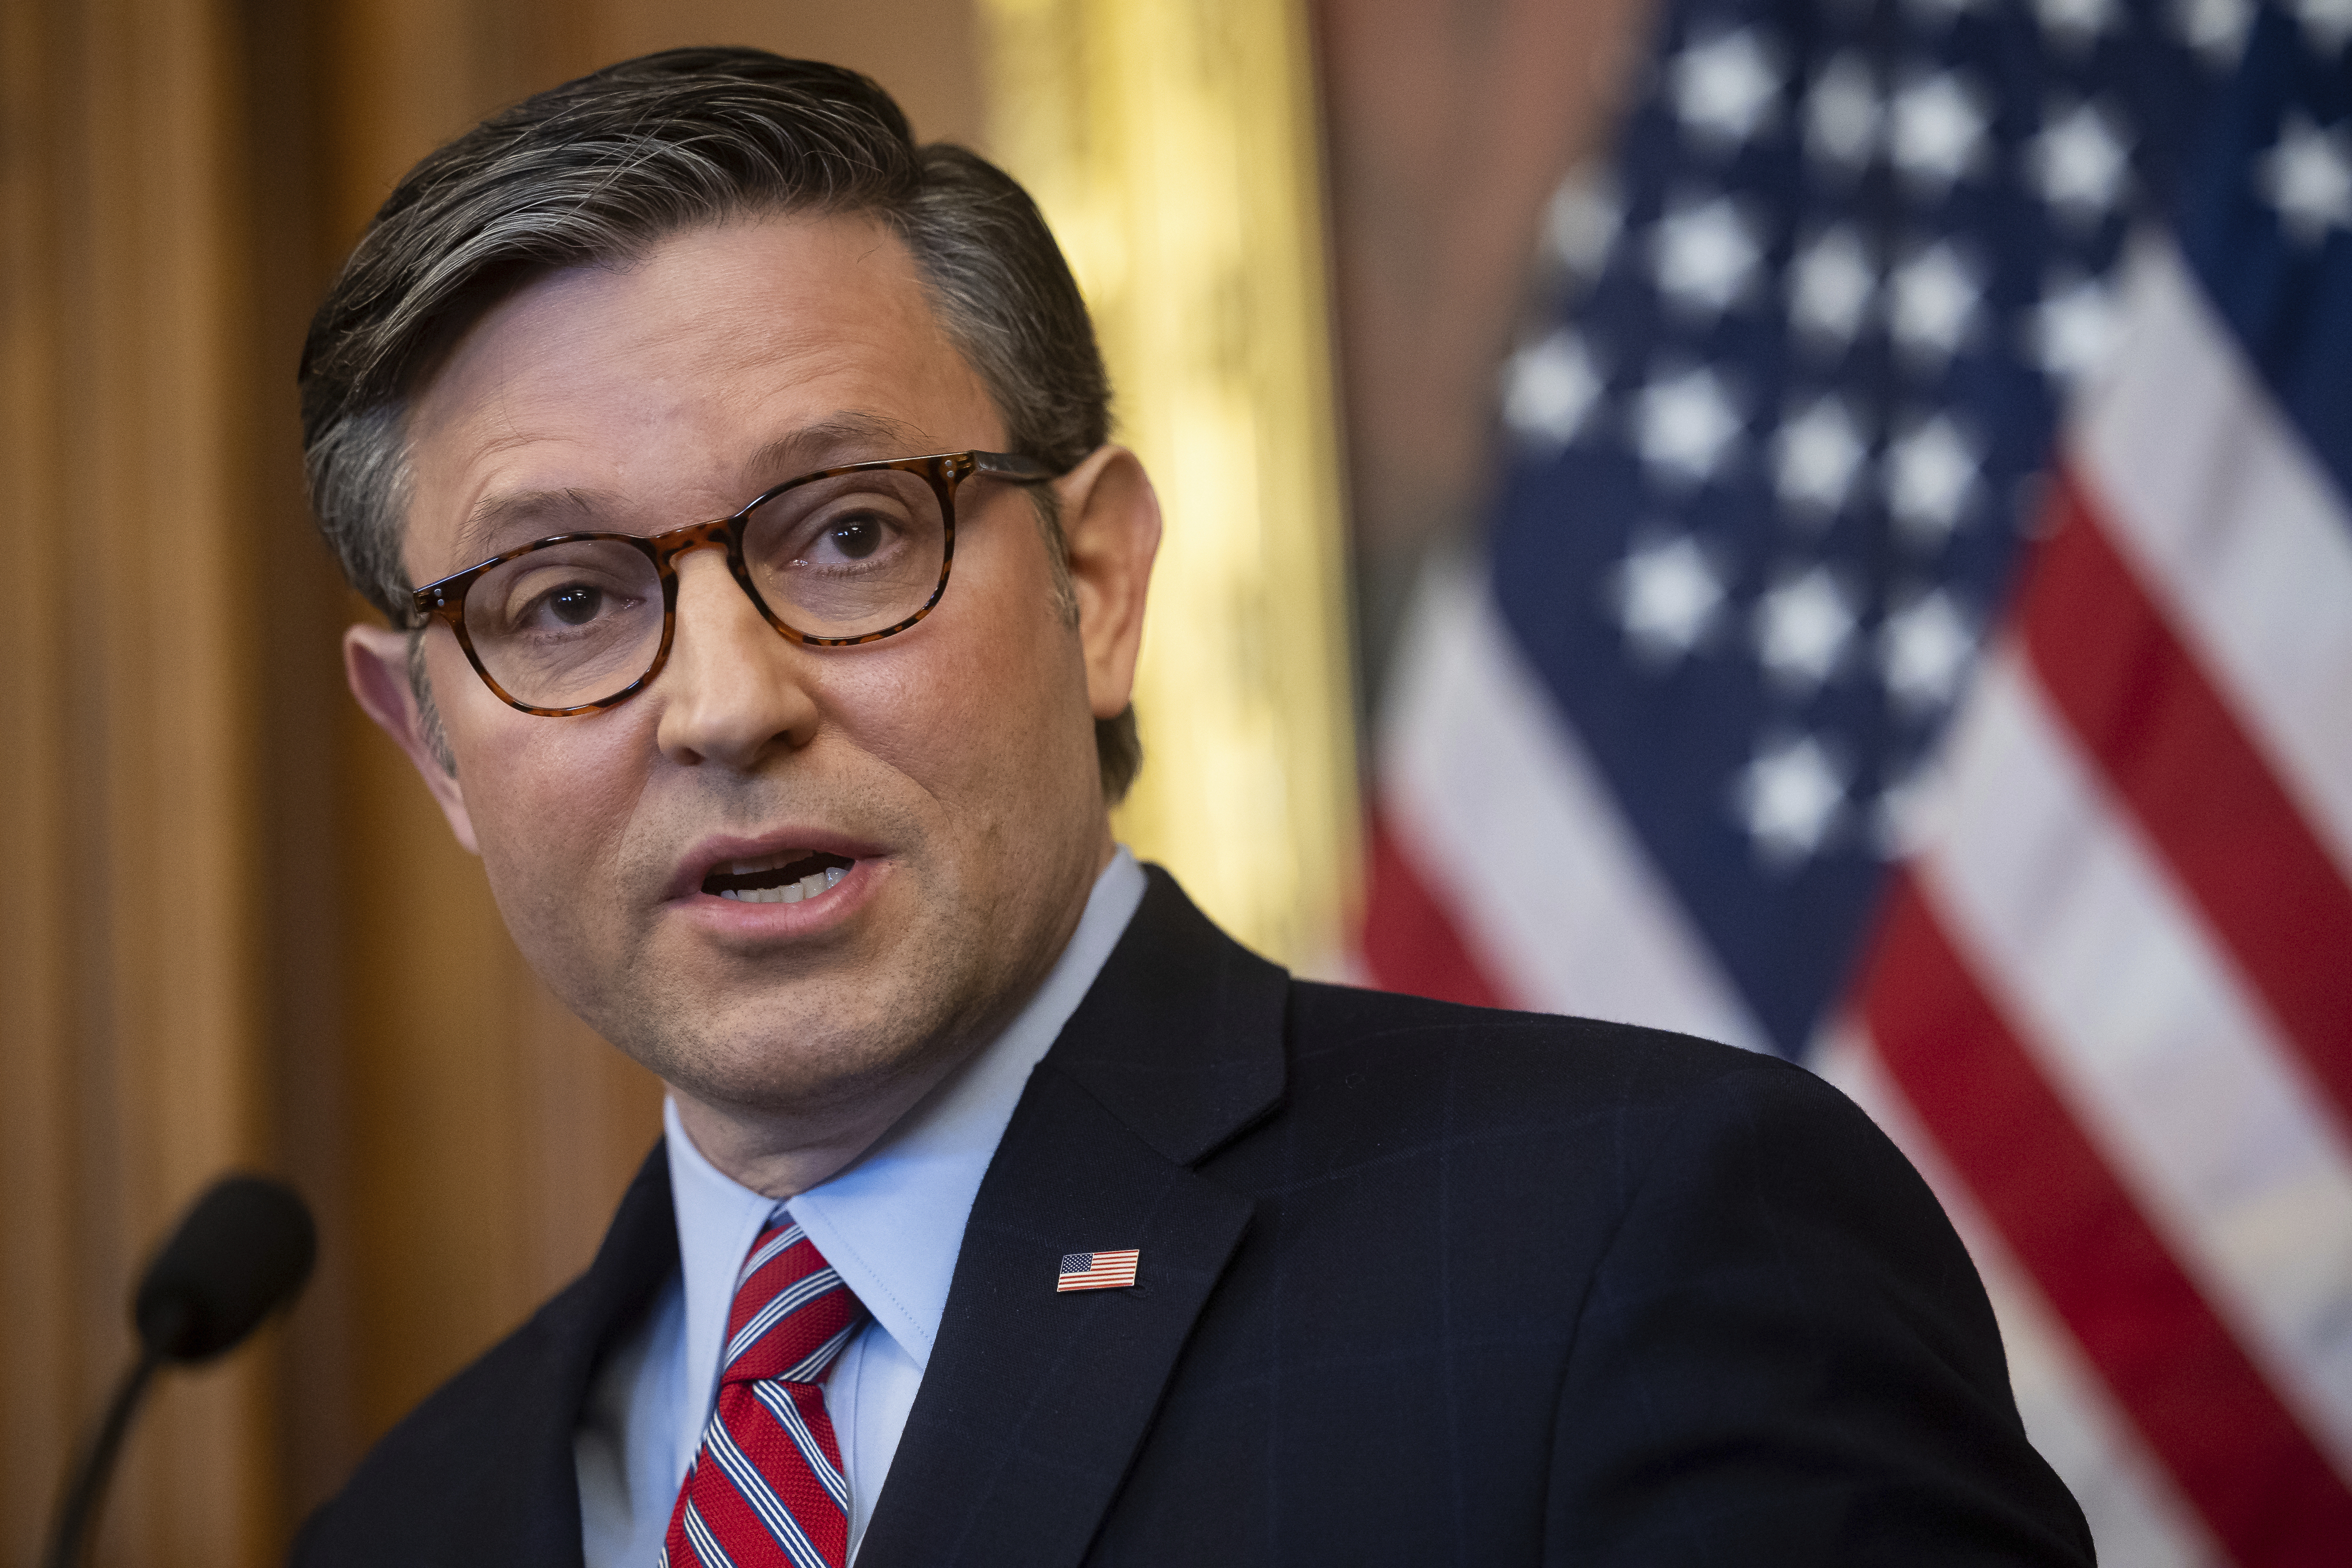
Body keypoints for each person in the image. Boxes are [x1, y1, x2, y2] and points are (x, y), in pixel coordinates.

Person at [291, 46, 2093, 1568]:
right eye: (566, 602)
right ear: (433, 742)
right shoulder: (402, 1524)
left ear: (1100, 581)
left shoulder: (1643, 1246)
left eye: (849, 533)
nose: (729, 704)